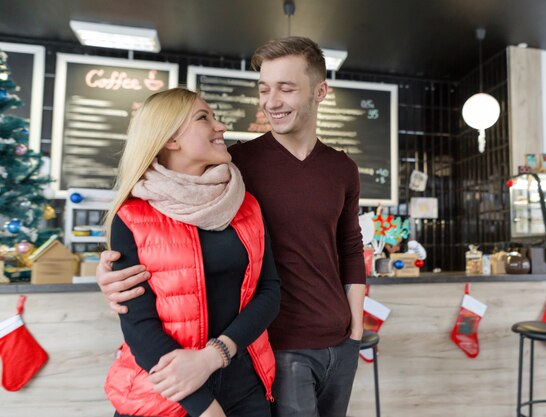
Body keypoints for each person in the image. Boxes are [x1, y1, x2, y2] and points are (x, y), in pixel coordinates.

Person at [97, 37, 366, 417]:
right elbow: (167, 203)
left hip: (328, 344)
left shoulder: (340, 169)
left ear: (321, 91)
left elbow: (350, 247)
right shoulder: (233, 165)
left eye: (286, 88)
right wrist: (109, 271)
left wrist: (355, 330)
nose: (271, 101)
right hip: (272, 343)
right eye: (264, 89)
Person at [102, 87, 280, 417]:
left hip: (244, 387)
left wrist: (215, 356)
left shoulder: (246, 206)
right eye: (204, 118)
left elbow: (269, 292)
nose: (221, 126)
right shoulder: (131, 217)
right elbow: (139, 326)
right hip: (164, 393)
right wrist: (204, 407)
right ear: (170, 139)